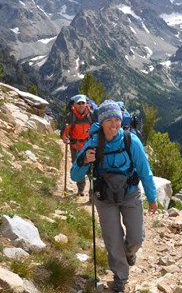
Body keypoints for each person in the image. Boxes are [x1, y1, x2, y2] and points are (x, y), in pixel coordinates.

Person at [70, 99, 157, 293]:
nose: (114, 124)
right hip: (105, 197)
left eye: (117, 119)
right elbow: (74, 175)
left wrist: (152, 198)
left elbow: (145, 170)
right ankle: (120, 277)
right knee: (113, 238)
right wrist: (84, 160)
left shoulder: (130, 141)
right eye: (109, 120)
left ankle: (129, 253)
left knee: (136, 238)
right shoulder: (93, 143)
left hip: (130, 193)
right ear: (101, 122)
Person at [61, 94, 95, 196]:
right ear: (74, 105)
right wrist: (65, 138)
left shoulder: (91, 115)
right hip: (75, 146)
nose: (81, 105)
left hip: (88, 145)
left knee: (91, 169)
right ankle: (81, 189)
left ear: (86, 104)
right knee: (79, 167)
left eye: (83, 103)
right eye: (78, 103)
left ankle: (92, 193)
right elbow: (65, 131)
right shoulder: (70, 116)